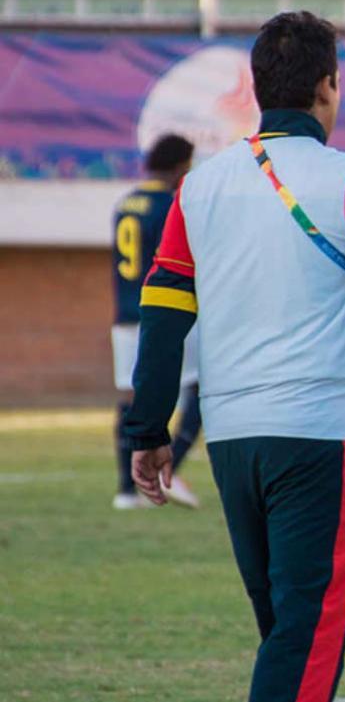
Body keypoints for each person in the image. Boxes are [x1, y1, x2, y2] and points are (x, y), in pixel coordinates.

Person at [124, 12, 345, 702]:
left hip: (233, 441)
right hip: (317, 439)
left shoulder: (199, 188)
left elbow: (164, 314)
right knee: (307, 634)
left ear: (259, 88)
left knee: (286, 633)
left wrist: (148, 428)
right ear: (327, 86)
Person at [110, 134, 201, 510]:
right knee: (202, 388)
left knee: (130, 398)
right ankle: (166, 472)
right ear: (181, 164)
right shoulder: (169, 205)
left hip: (124, 313)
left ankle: (126, 490)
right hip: (161, 311)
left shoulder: (125, 203)